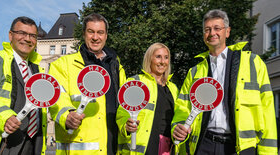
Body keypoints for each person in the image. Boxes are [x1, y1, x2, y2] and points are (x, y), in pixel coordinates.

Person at [172, 9, 277, 154]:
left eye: (217, 28)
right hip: (203, 145)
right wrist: (178, 126)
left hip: (241, 148)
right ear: (204, 35)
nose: (212, 33)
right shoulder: (194, 72)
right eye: (207, 29)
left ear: (227, 32)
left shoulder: (253, 63)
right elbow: (183, 108)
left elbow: (267, 111)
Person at [48, 13, 126, 155]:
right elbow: (56, 97)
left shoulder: (117, 67)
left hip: (113, 148)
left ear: (106, 36)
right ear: (84, 34)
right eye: (91, 32)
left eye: (100, 32)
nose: (95, 37)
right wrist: (67, 115)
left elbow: (123, 107)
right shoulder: (63, 64)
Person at [0, 16, 47, 155]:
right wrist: (4, 116)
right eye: (22, 33)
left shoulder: (38, 71)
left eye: (32, 36)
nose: (27, 39)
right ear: (10, 35)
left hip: (31, 145)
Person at [116, 43, 180, 154]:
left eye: (166, 57)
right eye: (158, 57)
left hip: (166, 148)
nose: (162, 62)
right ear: (149, 58)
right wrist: (126, 126)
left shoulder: (173, 88)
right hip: (142, 149)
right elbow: (122, 113)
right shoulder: (136, 82)